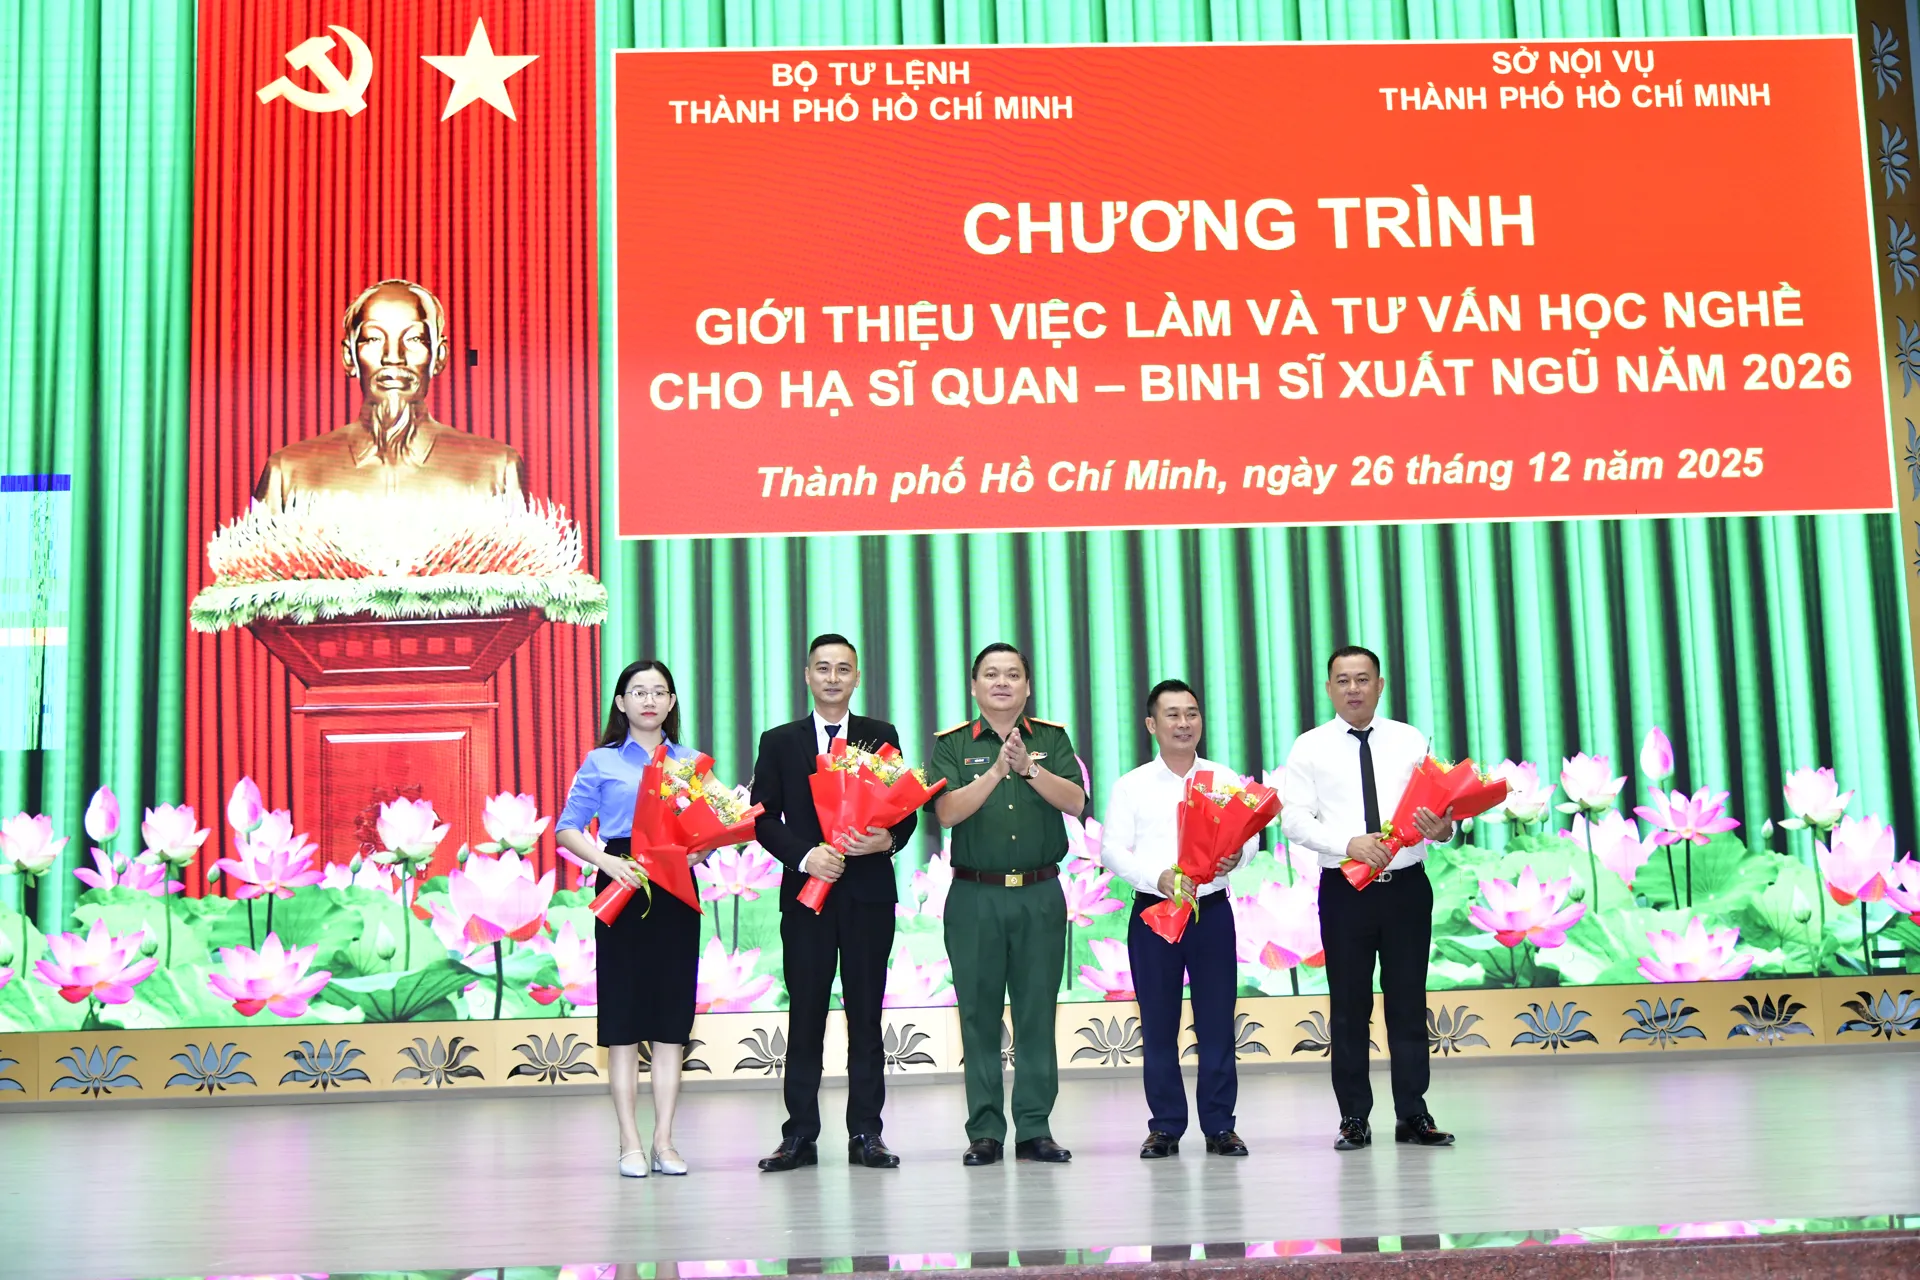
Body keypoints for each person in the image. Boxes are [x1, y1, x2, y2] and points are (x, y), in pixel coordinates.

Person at [749, 633, 918, 1172]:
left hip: (868, 898)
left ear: (857, 677)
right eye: (822, 668)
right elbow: (761, 819)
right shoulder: (780, 741)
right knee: (806, 1015)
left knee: (866, 1016)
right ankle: (799, 1135)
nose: (832, 677)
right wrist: (806, 857)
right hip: (807, 897)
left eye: (843, 668)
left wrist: (887, 841)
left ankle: (867, 1132)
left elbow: (906, 810)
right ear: (807, 675)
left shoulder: (881, 736)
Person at [1280, 645, 1456, 1152]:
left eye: (1363, 679)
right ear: (1329, 688)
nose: (1353, 689)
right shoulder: (1309, 747)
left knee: (1408, 1002)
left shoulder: (1410, 739)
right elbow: (1294, 820)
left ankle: (1413, 1114)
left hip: (1406, 887)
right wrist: (1348, 843)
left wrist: (1445, 829)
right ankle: (1353, 1117)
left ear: (1380, 685)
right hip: (1345, 891)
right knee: (1349, 1006)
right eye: (1343, 680)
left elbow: (1439, 809)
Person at [931, 641, 1084, 1166]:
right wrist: (997, 770)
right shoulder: (952, 745)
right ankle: (985, 1131)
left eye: (1012, 674)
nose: (1002, 682)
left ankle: (1035, 1128)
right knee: (978, 1015)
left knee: (1036, 1011)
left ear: (1027, 686)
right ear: (974, 686)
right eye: (991, 674)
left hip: (1040, 894)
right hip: (975, 896)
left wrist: (1030, 769)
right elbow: (946, 813)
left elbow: (1076, 802)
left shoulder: (1051, 739)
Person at [555, 659, 710, 1179]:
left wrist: (700, 852)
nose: (649, 700)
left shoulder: (691, 763)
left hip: (675, 889)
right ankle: (629, 1142)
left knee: (670, 1023)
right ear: (621, 702)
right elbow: (568, 828)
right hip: (620, 883)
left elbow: (710, 829)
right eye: (638, 691)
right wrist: (606, 861)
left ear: (671, 702)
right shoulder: (601, 761)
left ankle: (664, 1141)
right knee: (623, 1023)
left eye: (659, 691)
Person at [1101, 679, 1254, 1160]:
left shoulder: (1223, 779)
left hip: (1211, 912)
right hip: (1155, 913)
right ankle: (1165, 1126)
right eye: (1172, 715)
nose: (1184, 723)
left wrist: (1239, 856)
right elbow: (1112, 850)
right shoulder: (1131, 785)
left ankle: (1220, 1126)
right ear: (1152, 724)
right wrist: (1159, 877)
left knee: (1216, 1022)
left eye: (1191, 713)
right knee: (1159, 1023)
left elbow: (1249, 836)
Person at [252, 279, 527, 506]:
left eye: (414, 339)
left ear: (439, 356)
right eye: (373, 339)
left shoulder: (497, 468)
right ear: (349, 357)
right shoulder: (287, 472)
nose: (393, 357)